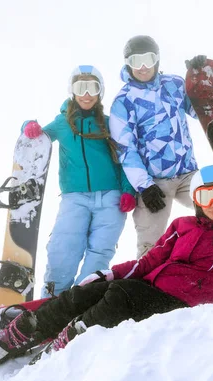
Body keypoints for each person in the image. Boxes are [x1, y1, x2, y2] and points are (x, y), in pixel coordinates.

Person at [0, 165, 213, 366]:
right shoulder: (183, 224)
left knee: (118, 296)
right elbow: (151, 260)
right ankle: (19, 335)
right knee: (87, 291)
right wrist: (108, 272)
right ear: (196, 199)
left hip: (184, 303)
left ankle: (69, 340)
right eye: (204, 196)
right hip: (151, 288)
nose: (212, 204)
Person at [22, 65, 136, 298]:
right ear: (72, 91)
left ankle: (82, 299)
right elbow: (40, 137)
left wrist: (128, 190)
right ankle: (52, 300)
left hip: (111, 197)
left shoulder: (108, 123)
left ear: (99, 91)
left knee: (100, 253)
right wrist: (27, 126)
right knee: (64, 247)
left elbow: (124, 158)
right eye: (80, 87)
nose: (86, 93)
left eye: (92, 88)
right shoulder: (62, 123)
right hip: (75, 198)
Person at [108, 35, 203, 259]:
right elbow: (125, 149)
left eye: (147, 60)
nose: (142, 67)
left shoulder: (175, 85)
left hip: (188, 173)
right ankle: (147, 288)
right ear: (127, 64)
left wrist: (199, 78)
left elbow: (199, 111)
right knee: (150, 244)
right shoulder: (123, 101)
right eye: (135, 61)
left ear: (157, 60)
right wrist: (145, 185)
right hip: (154, 182)